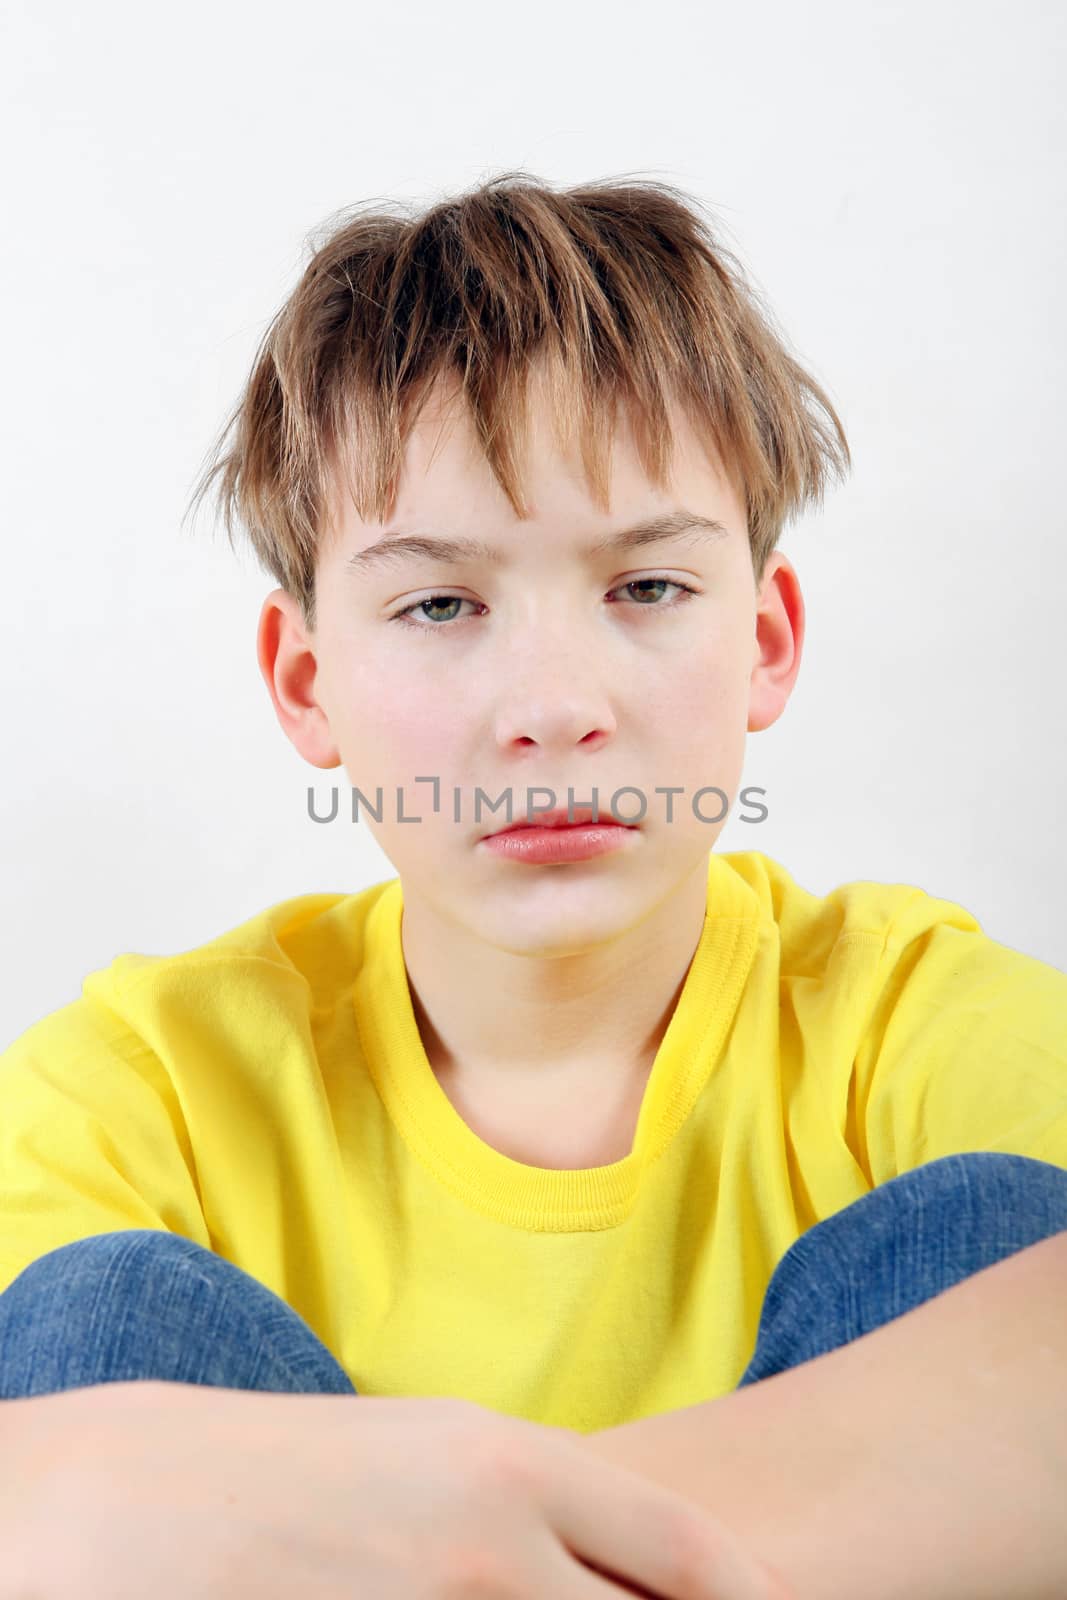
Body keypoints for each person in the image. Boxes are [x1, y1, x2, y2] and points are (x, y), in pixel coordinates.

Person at [2, 172, 1066, 1599]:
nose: (553, 707)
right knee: (91, 1324)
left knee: (997, 1239)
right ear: (307, 683)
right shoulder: (150, 1086)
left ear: (764, 641)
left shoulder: (907, 1023)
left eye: (647, 589)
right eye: (440, 603)